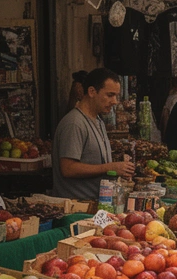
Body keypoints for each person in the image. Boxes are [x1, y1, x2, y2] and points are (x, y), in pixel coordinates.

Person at [53, 68, 134, 200]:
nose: (115, 101)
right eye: (110, 95)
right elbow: (68, 168)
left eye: (116, 96)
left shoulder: (98, 121)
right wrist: (110, 167)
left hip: (95, 207)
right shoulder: (74, 123)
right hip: (76, 208)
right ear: (92, 92)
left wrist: (117, 169)